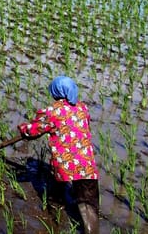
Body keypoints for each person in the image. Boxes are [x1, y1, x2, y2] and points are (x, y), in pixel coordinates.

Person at [18, 75, 100, 234]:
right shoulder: (83, 108)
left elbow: (34, 130)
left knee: (55, 196)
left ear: (55, 92)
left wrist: (23, 128)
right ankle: (91, 230)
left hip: (64, 165)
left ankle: (55, 223)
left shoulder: (51, 112)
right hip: (87, 165)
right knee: (89, 203)